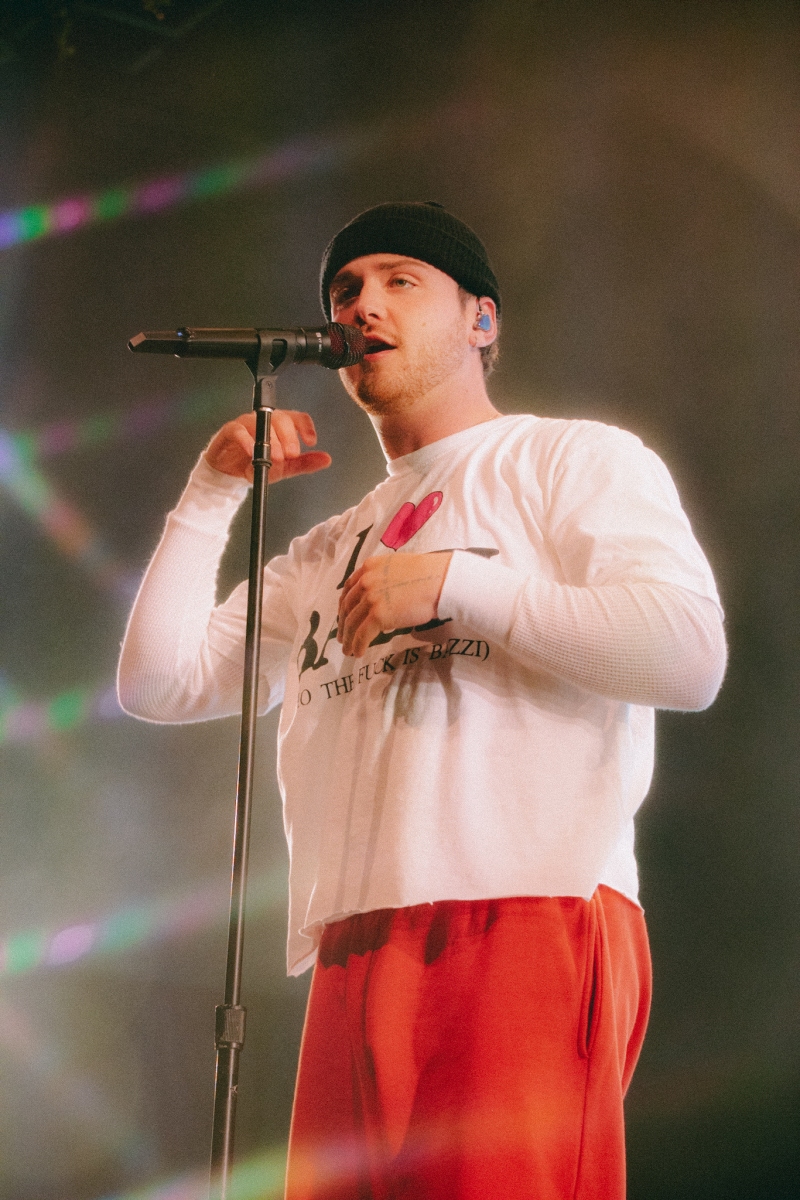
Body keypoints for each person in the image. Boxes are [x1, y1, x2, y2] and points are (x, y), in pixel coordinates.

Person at [118, 201, 726, 1199]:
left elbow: (686, 654)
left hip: (522, 914)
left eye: (400, 280)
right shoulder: (324, 549)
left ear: (480, 319)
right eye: (344, 289)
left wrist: (458, 584)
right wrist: (211, 493)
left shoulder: (570, 459)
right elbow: (157, 682)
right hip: (353, 941)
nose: (362, 305)